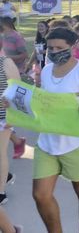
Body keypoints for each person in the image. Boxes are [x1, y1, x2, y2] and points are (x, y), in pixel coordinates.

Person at [22, 27, 79, 233]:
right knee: (40, 195)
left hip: (77, 142)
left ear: (73, 46)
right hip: (48, 142)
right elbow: (42, 101)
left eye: (60, 47)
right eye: (50, 47)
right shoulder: (47, 69)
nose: (54, 51)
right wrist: (16, 103)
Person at [0, 55, 20, 206]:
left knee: (0, 153)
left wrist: (13, 117)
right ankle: (5, 176)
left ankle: (1, 192)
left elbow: (18, 90)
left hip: (3, 117)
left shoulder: (6, 62)